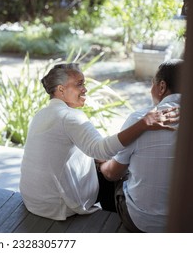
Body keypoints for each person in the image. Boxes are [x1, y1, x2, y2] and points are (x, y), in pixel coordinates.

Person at [19, 62, 178, 221]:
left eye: (84, 83)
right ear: (61, 89)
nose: (85, 89)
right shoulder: (70, 117)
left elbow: (92, 150)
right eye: (79, 84)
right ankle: (112, 223)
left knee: (108, 164)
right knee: (112, 174)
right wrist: (144, 123)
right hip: (58, 206)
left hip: (34, 201)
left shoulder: (42, 113)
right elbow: (101, 150)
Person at [99, 59, 182, 232]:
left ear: (161, 87)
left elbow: (112, 174)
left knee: (108, 167)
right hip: (184, 223)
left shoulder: (141, 119)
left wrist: (101, 164)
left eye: (152, 84)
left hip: (143, 222)